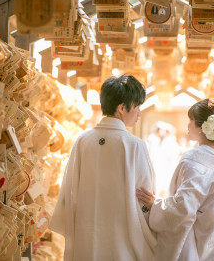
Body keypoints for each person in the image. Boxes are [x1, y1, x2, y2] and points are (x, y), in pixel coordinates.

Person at [50, 74, 156, 261]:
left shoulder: (83, 140)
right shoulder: (134, 145)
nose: (139, 112)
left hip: (86, 234)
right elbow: (145, 197)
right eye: (137, 106)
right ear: (122, 108)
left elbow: (69, 190)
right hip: (123, 237)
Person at [136, 98, 214, 261]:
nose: (188, 125)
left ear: (203, 128)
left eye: (191, 120)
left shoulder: (194, 159)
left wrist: (157, 205)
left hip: (200, 248)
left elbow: (183, 209)